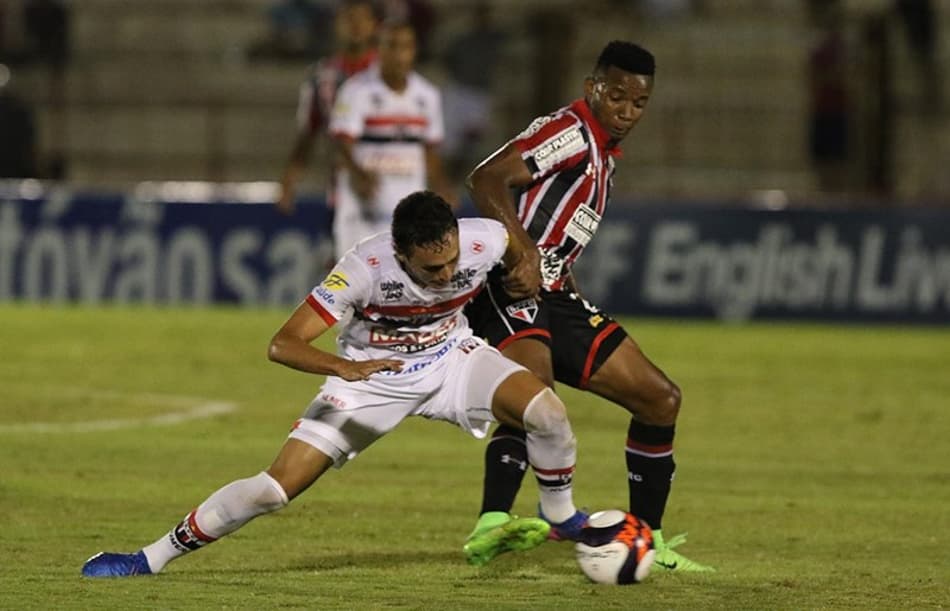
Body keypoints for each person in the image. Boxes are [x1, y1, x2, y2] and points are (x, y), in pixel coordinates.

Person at [80, 191, 579, 578]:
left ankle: (561, 516)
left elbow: (516, 245)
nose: (448, 273)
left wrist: (528, 264)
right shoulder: (363, 268)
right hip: (368, 380)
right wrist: (344, 368)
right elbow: (284, 343)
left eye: (452, 261)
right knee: (273, 492)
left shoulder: (482, 238)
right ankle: (148, 558)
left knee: (548, 413)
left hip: (452, 359)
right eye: (433, 268)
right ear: (401, 254)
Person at [461, 41, 713, 571]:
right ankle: (491, 523)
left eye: (638, 103)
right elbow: (486, 178)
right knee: (533, 397)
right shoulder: (570, 133)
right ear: (592, 88)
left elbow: (552, 222)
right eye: (616, 96)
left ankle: (649, 541)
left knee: (659, 399)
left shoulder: (600, 151)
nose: (626, 110)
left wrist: (555, 264)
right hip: (510, 284)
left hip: (555, 293)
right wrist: (523, 253)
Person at [326, 19, 451, 259]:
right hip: (363, 205)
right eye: (392, 46)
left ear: (414, 50)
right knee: (356, 278)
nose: (399, 54)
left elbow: (429, 150)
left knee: (403, 280)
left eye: (406, 46)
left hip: (407, 203)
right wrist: (358, 175)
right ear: (379, 49)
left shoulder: (427, 95)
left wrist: (442, 187)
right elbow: (342, 144)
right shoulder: (356, 91)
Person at [275, 0, 380, 216]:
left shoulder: (390, 75)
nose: (356, 25)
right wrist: (289, 180)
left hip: (389, 182)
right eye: (349, 19)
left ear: (374, 25)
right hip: (342, 188)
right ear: (337, 24)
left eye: (362, 19)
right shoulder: (322, 76)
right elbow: (308, 133)